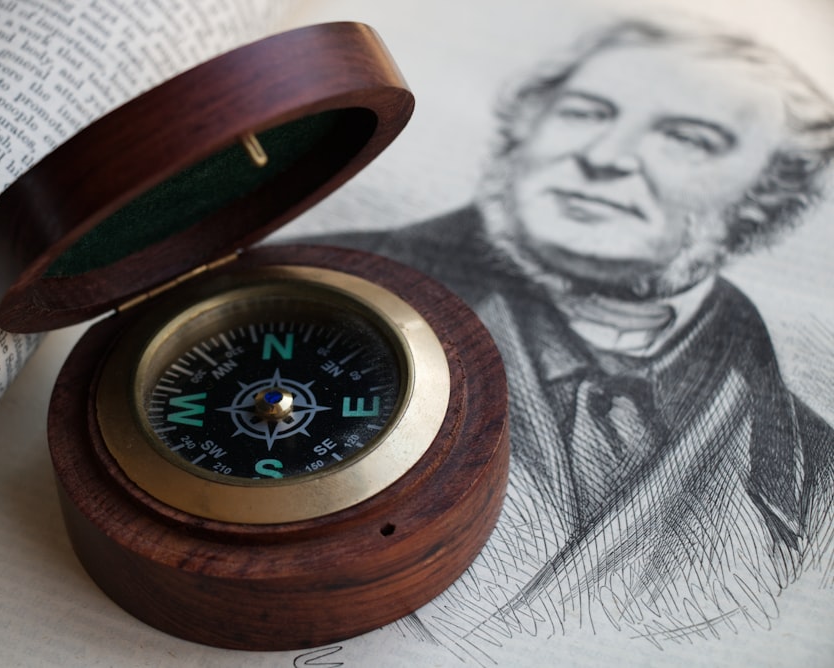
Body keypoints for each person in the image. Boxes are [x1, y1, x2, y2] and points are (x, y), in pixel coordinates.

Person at [320, 19, 834, 650]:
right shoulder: (312, 292)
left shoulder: (815, 472)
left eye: (686, 138)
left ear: (769, 193)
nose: (604, 157)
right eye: (585, 112)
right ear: (523, 131)